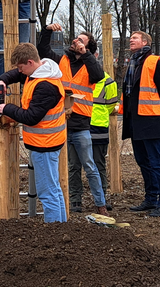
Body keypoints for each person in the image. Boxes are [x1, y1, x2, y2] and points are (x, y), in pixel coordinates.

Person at [38, 22, 108, 215]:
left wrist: (85, 53)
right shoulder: (62, 60)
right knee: (69, 167)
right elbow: (42, 50)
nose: (75, 41)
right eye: (76, 39)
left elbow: (98, 75)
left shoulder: (90, 65)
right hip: (60, 122)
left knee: (89, 166)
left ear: (88, 48)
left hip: (81, 125)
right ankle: (73, 201)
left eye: (81, 40)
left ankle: (100, 204)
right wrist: (47, 31)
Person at [0, 43, 67, 223]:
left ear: (30, 62)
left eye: (21, 67)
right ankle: (61, 228)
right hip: (47, 141)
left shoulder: (45, 86)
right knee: (53, 189)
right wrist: (3, 80)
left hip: (45, 144)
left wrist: (7, 108)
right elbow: (16, 74)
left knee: (47, 193)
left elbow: (31, 117)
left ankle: (55, 233)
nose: (20, 72)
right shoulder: (38, 72)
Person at [121, 31, 160, 218]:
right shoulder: (133, 63)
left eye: (134, 38)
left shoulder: (153, 61)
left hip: (150, 119)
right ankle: (151, 199)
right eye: (131, 38)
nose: (131, 40)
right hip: (135, 120)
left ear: (145, 42)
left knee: (156, 162)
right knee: (143, 161)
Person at [91, 63, 120, 210]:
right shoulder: (83, 79)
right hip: (85, 126)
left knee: (97, 164)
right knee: (75, 165)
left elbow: (111, 104)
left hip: (98, 128)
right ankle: (75, 200)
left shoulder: (108, 82)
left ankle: (100, 198)